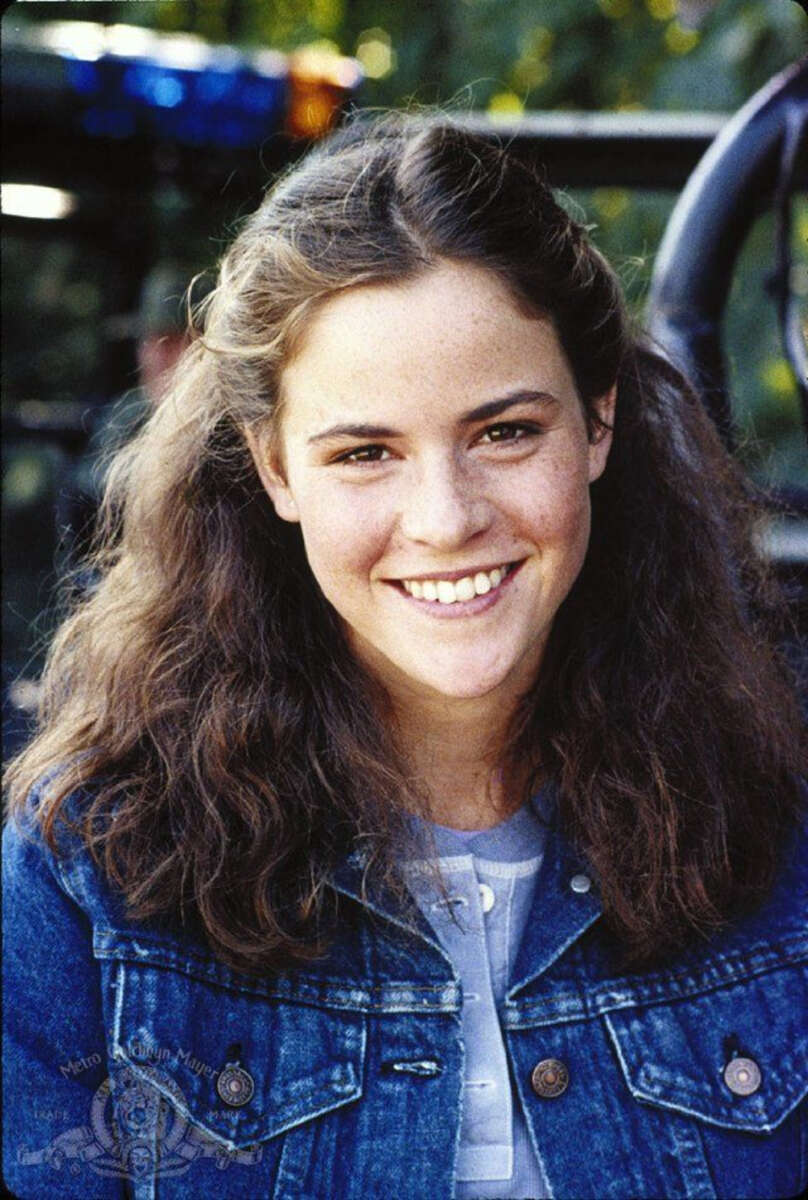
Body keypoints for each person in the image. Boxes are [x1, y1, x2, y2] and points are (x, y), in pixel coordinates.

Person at [3, 116, 806, 1200]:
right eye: (365, 453)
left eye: (505, 432)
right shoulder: (85, 869)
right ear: (275, 469)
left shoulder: (779, 817)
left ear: (599, 418)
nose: (443, 519)